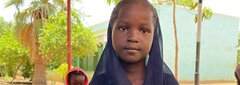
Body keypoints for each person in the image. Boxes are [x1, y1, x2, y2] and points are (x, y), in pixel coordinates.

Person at [90, 0, 179, 85]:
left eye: (144, 31)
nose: (133, 38)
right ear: (111, 32)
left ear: (154, 36)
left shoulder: (166, 82)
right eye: (123, 28)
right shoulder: (100, 81)